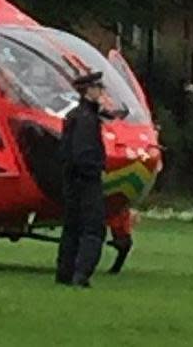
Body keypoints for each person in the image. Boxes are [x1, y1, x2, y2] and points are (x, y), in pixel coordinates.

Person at [56, 72, 108, 288]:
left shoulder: (75, 116)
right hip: (86, 181)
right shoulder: (88, 119)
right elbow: (84, 153)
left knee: (72, 228)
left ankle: (65, 273)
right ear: (89, 91)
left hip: (71, 181)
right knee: (93, 229)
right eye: (99, 88)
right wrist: (95, 170)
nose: (102, 92)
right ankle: (82, 274)